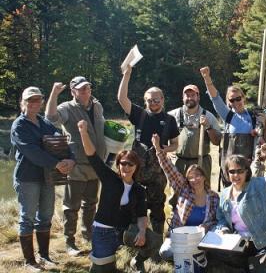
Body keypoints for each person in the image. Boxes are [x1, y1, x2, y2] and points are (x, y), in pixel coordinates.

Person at [77, 120, 160, 273]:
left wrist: (142, 231)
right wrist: (83, 132)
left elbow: (142, 215)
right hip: (103, 231)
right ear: (118, 164)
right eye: (123, 163)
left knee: (155, 240)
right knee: (104, 270)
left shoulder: (139, 189)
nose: (126, 167)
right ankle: (99, 258)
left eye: (130, 164)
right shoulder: (109, 178)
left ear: (136, 167)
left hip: (125, 231)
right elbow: (92, 156)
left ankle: (137, 261)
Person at [11, 86, 75, 272]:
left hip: (48, 178)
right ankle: (30, 262)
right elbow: (33, 152)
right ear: (23, 103)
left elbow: (62, 141)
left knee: (45, 216)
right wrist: (57, 164)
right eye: (30, 100)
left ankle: (45, 256)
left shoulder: (45, 123)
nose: (34, 103)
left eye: (37, 100)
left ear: (42, 102)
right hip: (27, 178)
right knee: (27, 218)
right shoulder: (19, 126)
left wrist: (70, 158)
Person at [118, 64, 179, 239]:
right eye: (150, 100)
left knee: (158, 206)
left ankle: (157, 240)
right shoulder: (139, 114)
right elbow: (122, 98)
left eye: (156, 99)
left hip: (157, 174)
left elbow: (175, 144)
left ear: (163, 99)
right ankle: (131, 237)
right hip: (135, 172)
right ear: (145, 101)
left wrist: (163, 148)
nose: (153, 103)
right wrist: (127, 74)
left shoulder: (169, 120)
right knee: (133, 205)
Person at [45, 77, 106, 255]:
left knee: (91, 203)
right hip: (76, 165)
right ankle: (69, 242)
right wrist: (54, 93)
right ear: (73, 92)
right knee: (71, 207)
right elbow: (51, 118)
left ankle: (88, 235)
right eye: (80, 89)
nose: (85, 91)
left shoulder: (98, 106)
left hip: (96, 164)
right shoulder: (66, 108)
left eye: (87, 88)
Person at [209, 143, 266, 272]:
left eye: (240, 171)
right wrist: (223, 229)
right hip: (240, 241)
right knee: (212, 254)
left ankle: (254, 264)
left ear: (247, 171)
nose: (236, 175)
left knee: (262, 269)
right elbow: (221, 218)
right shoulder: (225, 194)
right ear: (227, 173)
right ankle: (247, 264)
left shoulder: (260, 185)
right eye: (232, 171)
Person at [152, 133, 219, 260]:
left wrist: (206, 226)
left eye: (198, 175)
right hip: (181, 236)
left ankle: (196, 255)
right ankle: (188, 256)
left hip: (201, 238)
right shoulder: (184, 189)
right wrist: (158, 149)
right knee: (165, 252)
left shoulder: (214, 197)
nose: (194, 180)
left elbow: (216, 220)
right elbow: (169, 169)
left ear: (204, 177)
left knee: (207, 255)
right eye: (190, 177)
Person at [199, 66, 266, 187]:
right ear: (228, 102)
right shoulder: (228, 116)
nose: (236, 102)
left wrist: (262, 128)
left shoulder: (254, 116)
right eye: (232, 100)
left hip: (248, 167)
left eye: (238, 98)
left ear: (243, 98)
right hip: (230, 169)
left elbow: (264, 138)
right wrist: (207, 78)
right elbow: (215, 98)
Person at [168, 84, 221, 183]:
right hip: (179, 163)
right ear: (182, 98)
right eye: (187, 95)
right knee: (178, 194)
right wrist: (166, 151)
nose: (190, 98)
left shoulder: (209, 116)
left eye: (193, 95)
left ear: (198, 97)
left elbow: (217, 142)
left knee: (201, 193)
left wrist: (208, 127)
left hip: (201, 163)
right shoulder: (172, 115)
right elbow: (160, 134)